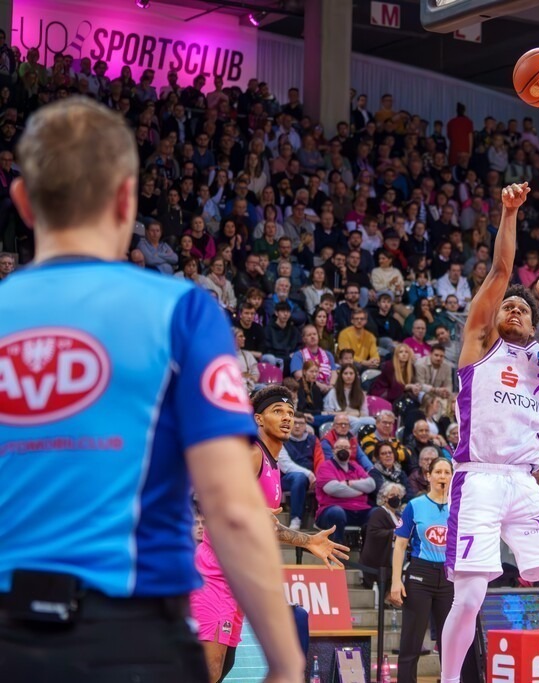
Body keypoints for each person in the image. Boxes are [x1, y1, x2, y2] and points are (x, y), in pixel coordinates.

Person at [0, 98, 304, 683]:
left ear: (21, 201)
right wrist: (286, 662)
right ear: (126, 198)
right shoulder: (184, 312)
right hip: (132, 636)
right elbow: (232, 505)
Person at [440, 182, 539, 683]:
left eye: (524, 308)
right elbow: (502, 272)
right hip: (478, 477)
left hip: (525, 484)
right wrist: (508, 212)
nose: (514, 309)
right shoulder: (480, 343)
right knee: (472, 594)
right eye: (509, 307)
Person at [191, 386, 349, 682]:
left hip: (237, 584)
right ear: (259, 419)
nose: (287, 418)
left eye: (290, 413)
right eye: (278, 411)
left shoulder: (273, 467)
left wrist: (309, 540)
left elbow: (266, 525)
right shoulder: (251, 454)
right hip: (214, 578)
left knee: (221, 670)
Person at [391, 458, 481, 683]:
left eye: (446, 472)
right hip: (420, 574)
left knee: (452, 640)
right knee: (411, 641)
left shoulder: (461, 507)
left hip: (451, 575)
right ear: (428, 476)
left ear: (452, 476)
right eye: (438, 472)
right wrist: (395, 581)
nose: (442, 476)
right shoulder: (415, 505)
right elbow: (400, 544)